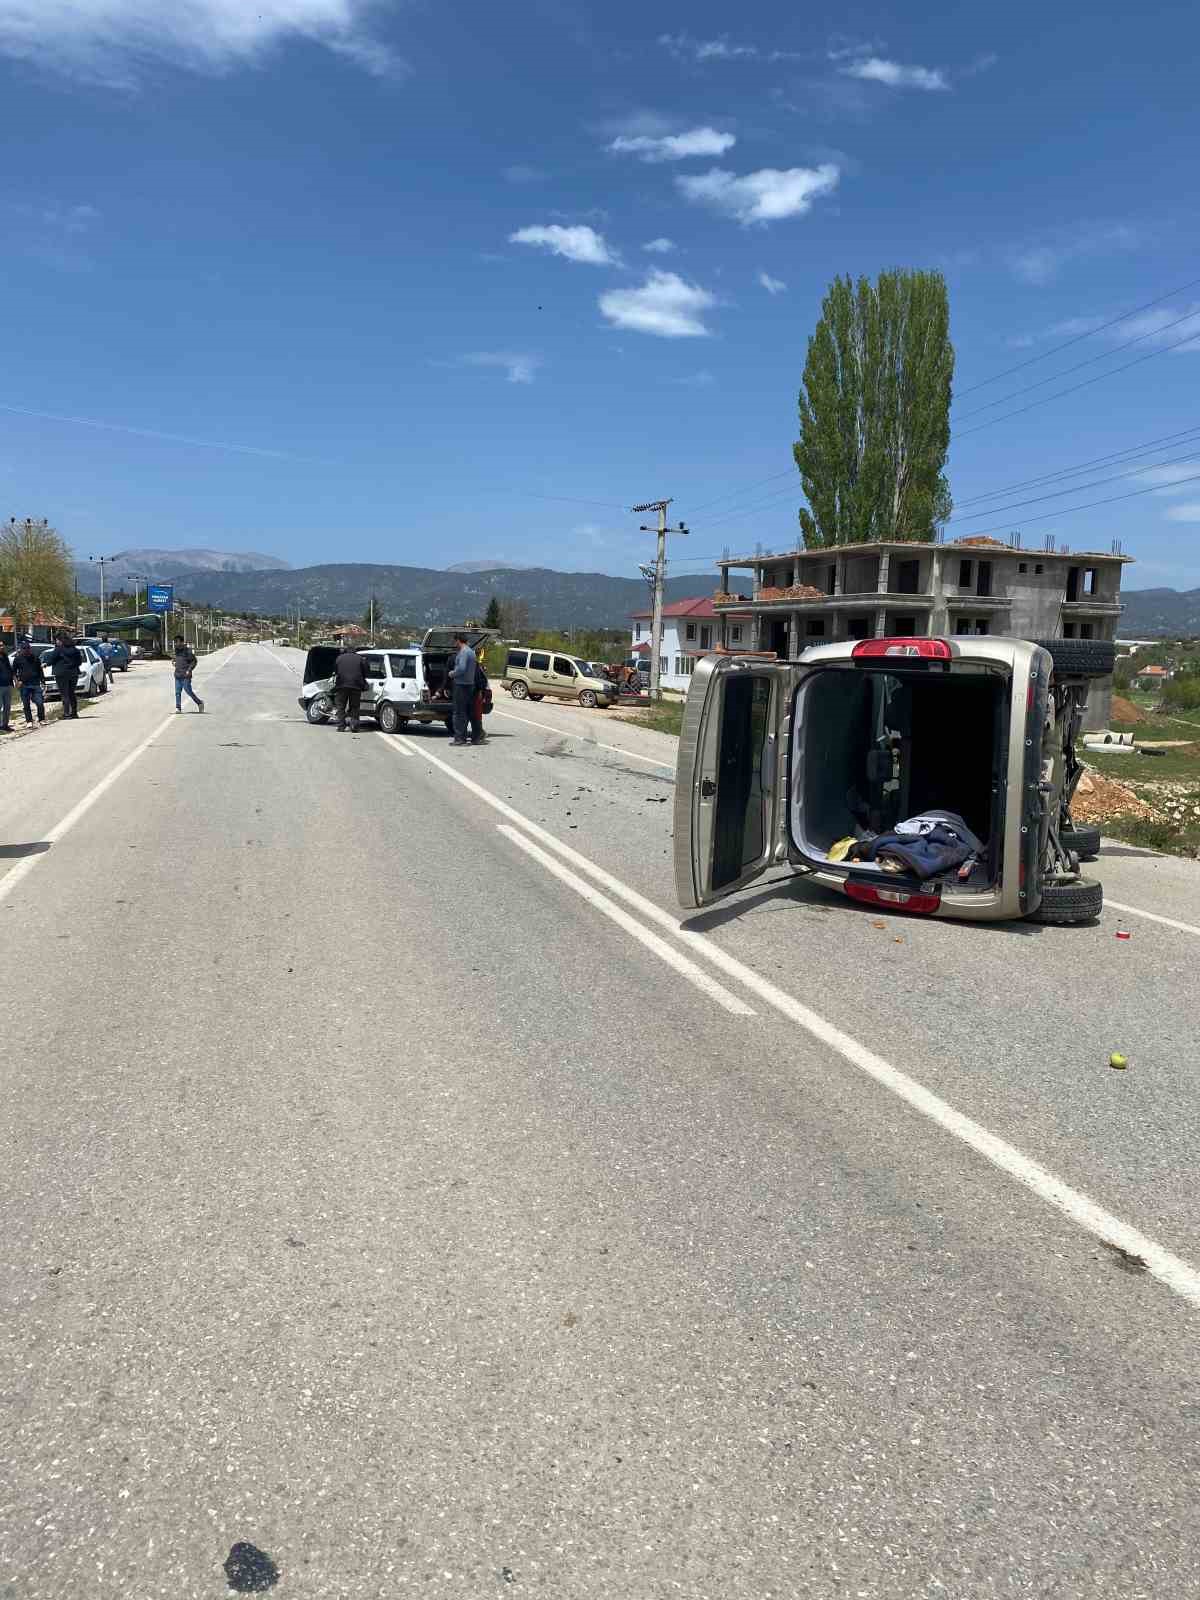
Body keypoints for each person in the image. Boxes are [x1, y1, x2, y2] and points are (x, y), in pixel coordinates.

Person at [450, 632, 482, 746]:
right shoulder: (471, 652)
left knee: (459, 713)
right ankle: (473, 737)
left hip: (461, 685)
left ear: (458, 640)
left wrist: (452, 673)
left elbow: (462, 668)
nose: (454, 644)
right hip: (470, 685)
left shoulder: (463, 652)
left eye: (455, 641)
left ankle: (460, 739)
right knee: (468, 712)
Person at [46, 630, 83, 719]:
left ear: (60, 640)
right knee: (71, 693)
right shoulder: (75, 649)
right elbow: (79, 662)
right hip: (73, 674)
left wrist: (46, 663)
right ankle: (74, 713)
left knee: (64, 694)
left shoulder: (58, 649)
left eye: (57, 640)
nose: (56, 642)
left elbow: (51, 660)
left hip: (61, 674)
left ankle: (66, 713)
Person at [332, 644, 366, 732]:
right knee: (355, 706)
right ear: (355, 651)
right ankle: (354, 726)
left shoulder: (339, 658)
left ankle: (341, 726)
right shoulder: (360, 658)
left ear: (346, 650)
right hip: (356, 686)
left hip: (342, 685)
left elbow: (335, 671)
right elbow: (365, 671)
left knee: (341, 706)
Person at [12, 639, 46, 727]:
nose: (27, 650)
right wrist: (16, 682)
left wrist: (43, 682)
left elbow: (40, 670)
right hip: (24, 685)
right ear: (21, 649)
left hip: (35, 684)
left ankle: (41, 719)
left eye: (28, 648)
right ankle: (29, 721)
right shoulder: (17, 659)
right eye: (24, 648)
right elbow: (14, 672)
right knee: (26, 704)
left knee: (40, 702)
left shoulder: (35, 658)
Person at [172, 635, 204, 713]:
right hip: (178, 675)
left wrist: (189, 670)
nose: (176, 644)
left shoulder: (187, 651)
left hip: (186, 675)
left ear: (182, 642)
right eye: (175, 642)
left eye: (178, 642)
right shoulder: (176, 651)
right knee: (177, 692)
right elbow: (175, 659)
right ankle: (178, 708)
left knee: (188, 691)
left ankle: (199, 703)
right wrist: (173, 662)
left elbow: (194, 661)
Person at [0, 642, 12, 732]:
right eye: (0, 645)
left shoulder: (5, 656)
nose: (2, 647)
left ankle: (5, 725)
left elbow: (9, 669)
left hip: (7, 684)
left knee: (7, 706)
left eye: (2, 645)